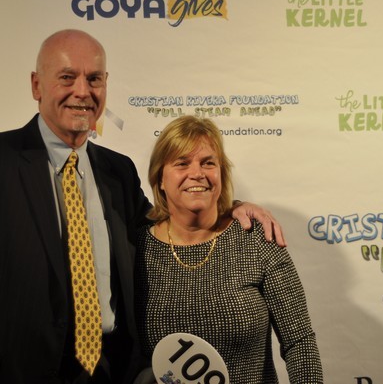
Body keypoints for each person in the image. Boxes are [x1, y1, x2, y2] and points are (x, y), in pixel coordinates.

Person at [0, 29, 284, 384]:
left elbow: (166, 224)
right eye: (67, 77)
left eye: (94, 79)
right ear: (36, 85)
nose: (82, 91)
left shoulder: (117, 171)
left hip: (110, 372)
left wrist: (231, 207)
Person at [136, 116, 323, 383]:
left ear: (221, 174)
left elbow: (299, 342)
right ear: (160, 179)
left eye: (208, 163)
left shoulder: (256, 238)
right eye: (182, 163)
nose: (197, 173)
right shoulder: (136, 248)